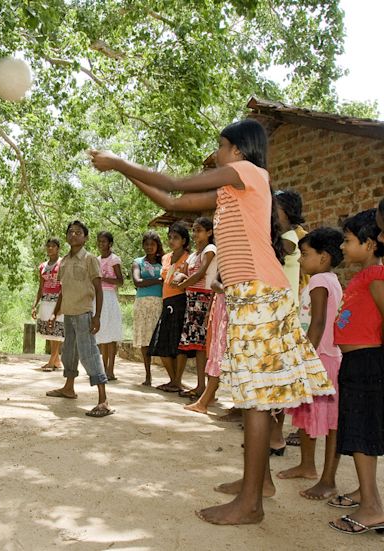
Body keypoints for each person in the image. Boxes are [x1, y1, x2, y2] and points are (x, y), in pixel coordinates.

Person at [90, 117, 333, 525]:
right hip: (248, 297)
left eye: (220, 145)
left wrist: (119, 162)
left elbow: (172, 179)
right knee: (253, 394)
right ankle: (258, 485)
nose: (216, 154)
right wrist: (122, 171)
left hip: (259, 295)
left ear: (237, 150)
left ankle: (251, 504)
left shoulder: (248, 172)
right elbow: (169, 201)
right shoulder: (229, 191)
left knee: (254, 400)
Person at [275, 227, 344, 500]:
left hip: (321, 359)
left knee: (327, 421)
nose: (300, 260)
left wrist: (305, 359)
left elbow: (316, 323)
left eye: (305, 254)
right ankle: (307, 465)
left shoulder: (319, 282)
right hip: (323, 357)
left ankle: (327, 478)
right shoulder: (329, 279)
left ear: (324, 257)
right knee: (309, 415)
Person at [328, 208, 384, 535]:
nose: (343, 248)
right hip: (356, 363)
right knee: (359, 431)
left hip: (366, 363)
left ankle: (372, 508)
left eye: (348, 241)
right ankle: (368, 495)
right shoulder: (365, 275)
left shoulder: (376, 276)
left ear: (370, 245)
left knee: (362, 434)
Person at [45, 220, 113, 417]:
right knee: (68, 354)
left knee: (89, 354)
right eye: (70, 232)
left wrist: (97, 316)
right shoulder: (64, 261)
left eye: (78, 232)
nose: (73, 235)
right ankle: (68, 388)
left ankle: (103, 400)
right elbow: (63, 291)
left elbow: (99, 289)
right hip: (68, 314)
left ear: (85, 237)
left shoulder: (90, 259)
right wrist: (55, 313)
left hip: (84, 314)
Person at [274, 189, 308, 451]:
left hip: (285, 315)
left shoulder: (290, 237)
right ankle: (275, 436)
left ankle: (277, 436)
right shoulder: (286, 235)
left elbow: (286, 248)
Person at [174, 216, 217, 399]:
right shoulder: (192, 255)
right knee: (198, 346)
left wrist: (182, 283)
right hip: (192, 301)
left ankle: (207, 389)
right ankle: (201, 386)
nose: (195, 234)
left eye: (199, 230)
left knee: (204, 345)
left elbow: (200, 273)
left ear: (209, 232)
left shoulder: (210, 249)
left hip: (204, 299)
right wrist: (182, 281)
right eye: (194, 230)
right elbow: (178, 274)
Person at [147, 222, 190, 393]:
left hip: (180, 300)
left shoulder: (189, 258)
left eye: (176, 238)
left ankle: (177, 381)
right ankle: (173, 380)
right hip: (166, 301)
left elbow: (189, 280)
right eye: (170, 237)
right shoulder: (165, 258)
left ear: (184, 241)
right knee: (161, 340)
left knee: (179, 343)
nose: (172, 241)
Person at [184, 275, 226, 415]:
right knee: (216, 353)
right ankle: (206, 399)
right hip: (222, 305)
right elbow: (215, 282)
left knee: (221, 353)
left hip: (230, 308)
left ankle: (204, 401)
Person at [131, 231, 164, 386]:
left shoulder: (164, 261)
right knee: (145, 340)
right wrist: (158, 280)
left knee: (159, 338)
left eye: (152, 244)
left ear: (157, 245)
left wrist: (149, 281)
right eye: (146, 244)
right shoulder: (138, 262)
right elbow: (137, 282)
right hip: (143, 303)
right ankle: (148, 375)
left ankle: (173, 378)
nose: (149, 247)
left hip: (159, 302)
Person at [31, 238, 64, 371]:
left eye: (53, 246)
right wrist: (34, 305)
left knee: (56, 329)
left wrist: (62, 303)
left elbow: (64, 285)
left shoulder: (62, 263)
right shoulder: (42, 266)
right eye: (48, 246)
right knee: (50, 330)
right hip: (45, 300)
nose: (50, 248)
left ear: (58, 248)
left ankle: (51, 361)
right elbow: (41, 287)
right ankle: (57, 360)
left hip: (58, 300)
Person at [94, 231, 123, 381]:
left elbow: (120, 280)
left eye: (104, 242)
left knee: (111, 334)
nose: (101, 244)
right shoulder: (97, 260)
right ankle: (103, 369)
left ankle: (111, 370)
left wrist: (103, 278)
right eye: (99, 241)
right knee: (103, 333)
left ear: (110, 244)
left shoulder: (114, 259)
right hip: (99, 297)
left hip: (110, 297)